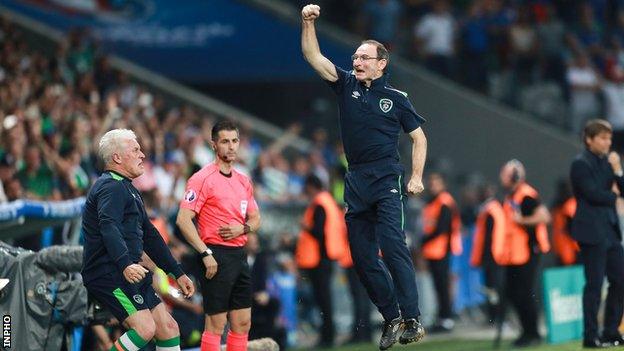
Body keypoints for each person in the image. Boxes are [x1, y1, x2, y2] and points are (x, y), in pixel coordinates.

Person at [301, 4, 427, 350]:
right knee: (361, 257)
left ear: (381, 63)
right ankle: (391, 317)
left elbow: (418, 137)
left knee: (392, 244)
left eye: (364, 57)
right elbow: (313, 57)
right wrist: (307, 23)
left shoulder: (396, 99)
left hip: (386, 179)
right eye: (355, 57)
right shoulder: (344, 85)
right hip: (356, 182)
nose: (356, 62)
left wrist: (416, 177)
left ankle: (413, 318)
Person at [81, 129, 195, 351]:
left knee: (168, 328)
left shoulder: (128, 189)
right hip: (109, 272)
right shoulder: (110, 186)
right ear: (117, 157)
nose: (142, 155)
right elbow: (108, 226)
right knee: (144, 328)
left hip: (130, 271)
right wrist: (125, 263)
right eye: (135, 150)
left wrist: (176, 272)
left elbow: (150, 236)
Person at [176, 120, 261, 351]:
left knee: (243, 323)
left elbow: (255, 219)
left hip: (239, 255)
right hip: (216, 256)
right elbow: (183, 220)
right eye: (225, 141)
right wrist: (205, 252)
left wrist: (242, 229)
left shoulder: (244, 181)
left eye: (234, 141)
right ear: (214, 145)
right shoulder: (201, 178)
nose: (231, 146)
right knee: (215, 324)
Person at [570, 119, 624, 348]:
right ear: (589, 139)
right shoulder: (580, 164)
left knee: (621, 279)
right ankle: (590, 336)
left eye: (609, 138)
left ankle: (610, 331)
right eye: (602, 138)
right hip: (591, 231)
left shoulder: (608, 163)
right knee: (594, 285)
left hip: (610, 231)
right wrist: (614, 197)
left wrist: (618, 170)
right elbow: (592, 194)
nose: (607, 142)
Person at [499, 159, 551, 347]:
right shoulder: (512, 195)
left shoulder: (526, 195)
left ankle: (532, 332)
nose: (501, 177)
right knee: (514, 292)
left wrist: (521, 220)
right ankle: (527, 331)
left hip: (528, 251)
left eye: (505, 173)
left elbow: (544, 216)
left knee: (523, 293)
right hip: (514, 254)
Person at [295, 174, 348, 347]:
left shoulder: (319, 204)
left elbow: (318, 231)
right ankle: (328, 335)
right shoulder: (328, 201)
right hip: (328, 256)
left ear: (311, 186)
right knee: (325, 299)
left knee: (323, 300)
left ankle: (327, 337)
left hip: (320, 259)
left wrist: (305, 227)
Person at [421, 172, 462, 332]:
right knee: (439, 286)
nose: (432, 186)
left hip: (442, 250)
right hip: (433, 251)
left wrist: (423, 239)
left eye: (435, 183)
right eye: (430, 183)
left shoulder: (444, 202)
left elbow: (442, 228)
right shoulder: (434, 202)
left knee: (443, 285)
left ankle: (446, 319)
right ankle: (442, 317)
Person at [470, 184, 506, 325]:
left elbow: (489, 236)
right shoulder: (491, 208)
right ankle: (494, 316)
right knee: (492, 288)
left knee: (494, 287)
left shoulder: (490, 209)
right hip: (493, 255)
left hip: (493, 255)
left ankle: (497, 316)